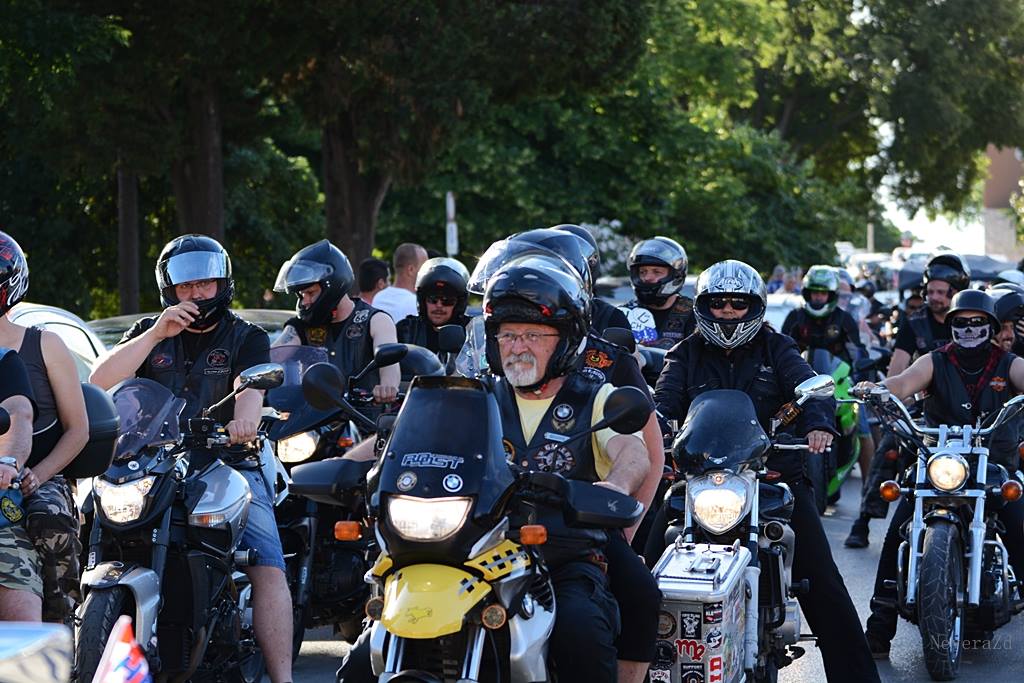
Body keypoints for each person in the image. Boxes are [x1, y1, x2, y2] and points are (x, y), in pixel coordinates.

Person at [338, 253, 657, 683]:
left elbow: (632, 453)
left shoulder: (595, 396)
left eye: (532, 334)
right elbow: (403, 440)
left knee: (582, 626)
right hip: (469, 550)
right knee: (364, 657)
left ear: (565, 339)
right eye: (507, 335)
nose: (518, 346)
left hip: (560, 549)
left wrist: (614, 485)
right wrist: (347, 467)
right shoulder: (472, 397)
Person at [649, 259, 881, 683]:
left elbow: (810, 386)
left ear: (755, 306)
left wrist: (818, 425)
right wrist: (657, 428)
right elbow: (663, 401)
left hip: (773, 477)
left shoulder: (778, 348)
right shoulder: (685, 353)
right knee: (644, 571)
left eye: (740, 303)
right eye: (719, 303)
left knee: (824, 585)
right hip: (700, 482)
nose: (729, 311)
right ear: (704, 305)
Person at [89, 234, 294, 683]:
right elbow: (99, 381)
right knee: (88, 522)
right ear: (170, 291)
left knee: (264, 559)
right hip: (149, 463)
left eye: (205, 284)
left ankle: (283, 678)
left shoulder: (247, 336)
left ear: (222, 285)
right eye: (185, 287)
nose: (196, 294)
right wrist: (156, 334)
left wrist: (243, 426)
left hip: (227, 462)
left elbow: (252, 392)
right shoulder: (149, 332)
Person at [859, 289, 1024, 658]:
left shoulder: (1008, 363)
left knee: (1017, 519)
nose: (968, 329)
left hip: (991, 466)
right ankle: (879, 626)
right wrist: (877, 391)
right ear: (950, 327)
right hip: (938, 464)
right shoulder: (935, 361)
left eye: (976, 323)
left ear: (991, 327)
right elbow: (902, 384)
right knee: (899, 525)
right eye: (960, 323)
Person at [848, 252, 971, 547]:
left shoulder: (972, 322)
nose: (936, 298)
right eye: (931, 291)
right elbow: (898, 367)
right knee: (889, 448)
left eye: (943, 292)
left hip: (970, 410)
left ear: (958, 293)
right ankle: (863, 520)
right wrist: (889, 403)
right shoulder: (914, 323)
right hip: (924, 406)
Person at [0, 232, 88, 623]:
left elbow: (79, 429)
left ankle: (62, 616)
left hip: (38, 473)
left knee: (49, 517)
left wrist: (37, 473)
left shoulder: (44, 344)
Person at [273, 240, 400, 402]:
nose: (304, 302)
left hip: (364, 419)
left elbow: (390, 366)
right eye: (301, 295)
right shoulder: (300, 327)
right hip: (312, 420)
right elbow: (274, 355)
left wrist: (388, 387)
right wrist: (255, 373)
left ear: (332, 287)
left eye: (310, 293)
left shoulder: (376, 320)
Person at [0, 342, 40, 621]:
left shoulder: (4, 362)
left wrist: (7, 462)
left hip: (0, 524)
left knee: (25, 621)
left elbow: (18, 414)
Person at [550, 223, 631, 335]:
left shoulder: (610, 317)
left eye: (571, 263)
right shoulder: (528, 310)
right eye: (554, 262)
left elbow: (628, 351)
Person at [781, 265, 866, 366]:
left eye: (823, 293)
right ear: (807, 293)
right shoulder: (795, 317)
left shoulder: (844, 318)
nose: (818, 297)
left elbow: (857, 350)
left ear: (832, 295)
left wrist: (859, 367)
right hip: (801, 374)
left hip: (838, 377)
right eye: (815, 292)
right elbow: (782, 348)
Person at [620, 236, 694, 349]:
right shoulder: (624, 314)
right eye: (643, 272)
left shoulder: (693, 315)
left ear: (676, 275)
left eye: (657, 272)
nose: (647, 277)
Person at [396, 257, 472, 364]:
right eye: (432, 299)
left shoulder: (471, 332)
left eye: (447, 300)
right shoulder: (407, 331)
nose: (439, 305)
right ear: (423, 301)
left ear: (459, 304)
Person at [371, 243, 428, 322]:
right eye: (425, 267)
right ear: (410, 270)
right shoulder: (414, 304)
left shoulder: (378, 297)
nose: (428, 272)